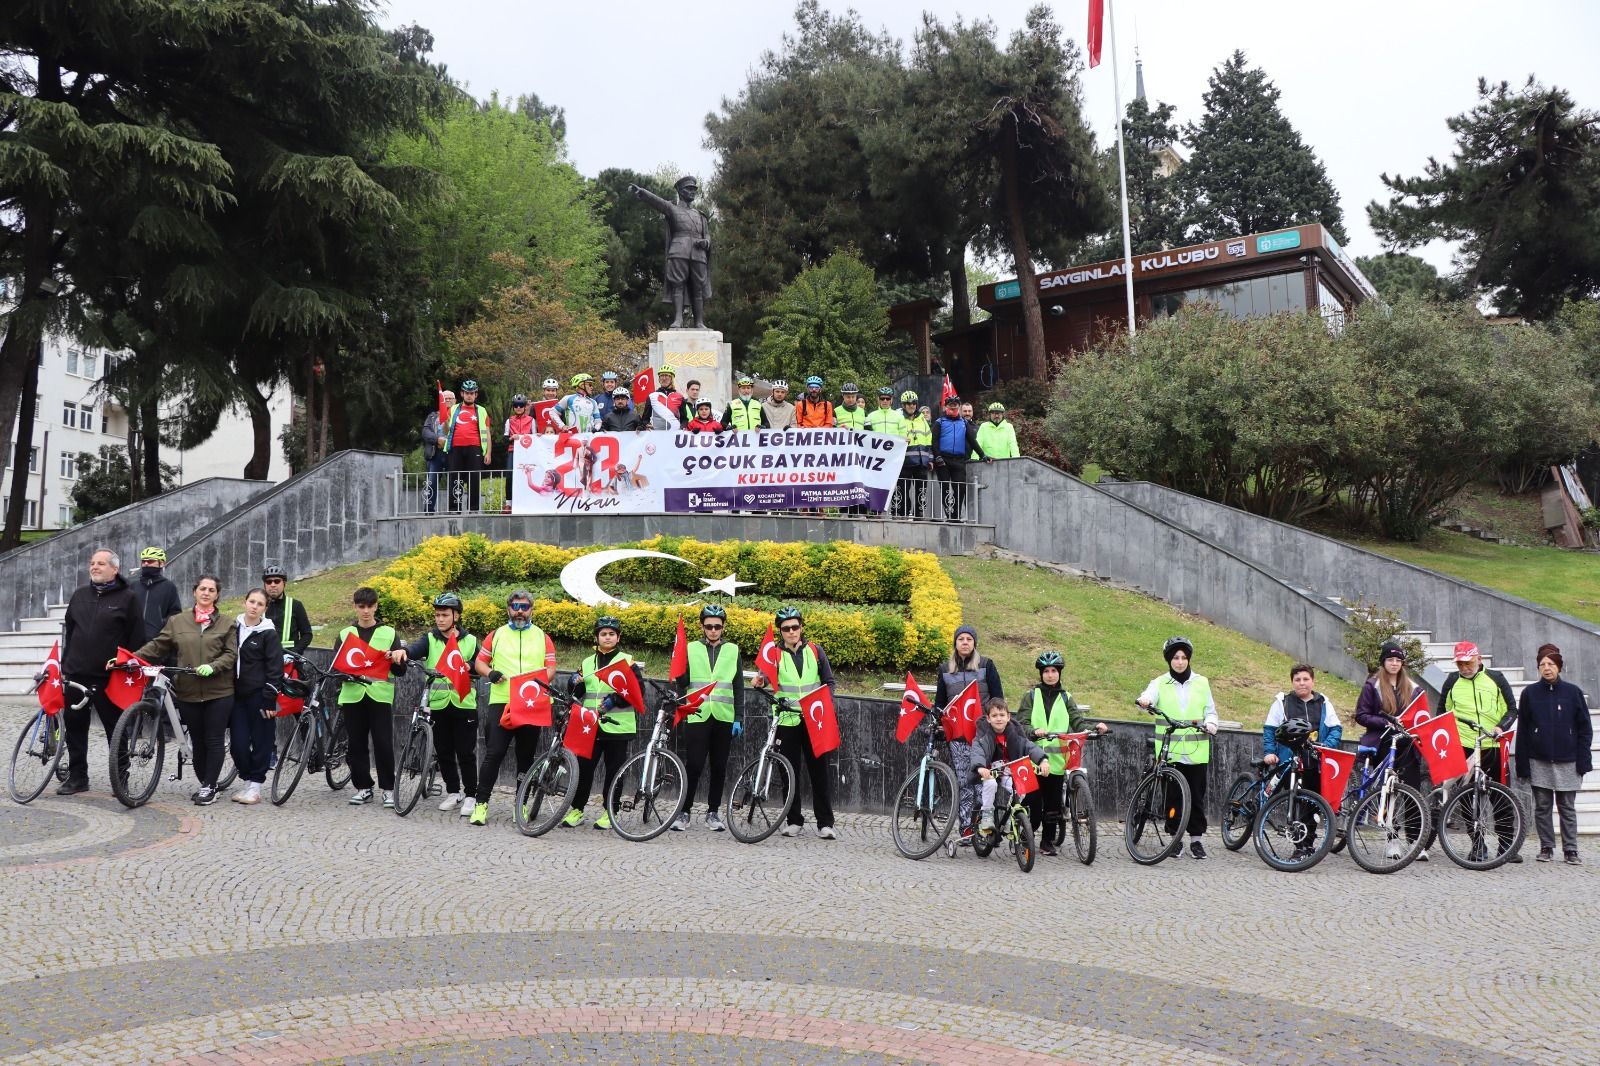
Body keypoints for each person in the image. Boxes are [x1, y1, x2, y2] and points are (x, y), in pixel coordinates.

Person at [130, 575, 238, 805]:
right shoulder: (177, 622)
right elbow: (158, 645)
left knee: (214, 739)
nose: (206, 593)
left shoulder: (227, 623)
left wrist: (213, 666)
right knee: (197, 740)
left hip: (219, 691)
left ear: (217, 595)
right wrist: (133, 658)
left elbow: (231, 654)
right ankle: (206, 783)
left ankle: (209, 786)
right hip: (188, 690)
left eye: (211, 590)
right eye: (202, 589)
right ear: (194, 592)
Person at [467, 589, 558, 826]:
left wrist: (538, 682)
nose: (519, 611)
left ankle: (522, 804)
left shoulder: (542, 636)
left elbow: (550, 668)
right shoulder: (496, 635)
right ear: (508, 609)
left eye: (524, 607)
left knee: (525, 757)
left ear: (531, 610)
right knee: (494, 753)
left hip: (531, 703)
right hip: (502, 700)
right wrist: (490, 672)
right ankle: (481, 804)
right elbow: (479, 663)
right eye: (515, 606)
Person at [57, 548, 142, 795]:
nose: (94, 567)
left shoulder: (128, 597)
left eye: (101, 563)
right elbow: (70, 632)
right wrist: (66, 664)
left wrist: (125, 663)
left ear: (114, 569)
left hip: (108, 677)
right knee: (74, 727)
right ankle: (77, 777)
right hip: (76, 675)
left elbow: (136, 637)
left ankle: (120, 779)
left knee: (115, 729)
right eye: (92, 563)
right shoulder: (80, 595)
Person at [752, 607, 838, 839]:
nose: (792, 632)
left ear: (801, 627)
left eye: (795, 627)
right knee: (789, 773)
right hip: (786, 720)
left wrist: (825, 701)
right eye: (786, 628)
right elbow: (763, 677)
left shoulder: (815, 651)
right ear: (780, 631)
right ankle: (794, 820)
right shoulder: (775, 654)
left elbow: (829, 682)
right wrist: (759, 680)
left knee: (819, 772)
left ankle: (825, 823)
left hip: (813, 720)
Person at [1136, 636, 1220, 859]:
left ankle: (1196, 840)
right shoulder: (1160, 682)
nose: (1180, 662)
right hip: (1170, 752)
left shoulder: (1201, 682)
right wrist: (1145, 701)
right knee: (1173, 798)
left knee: (1196, 796)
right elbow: (1148, 697)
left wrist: (1211, 723)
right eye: (1175, 657)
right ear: (1169, 660)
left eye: (1183, 657)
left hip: (1196, 752)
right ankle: (1175, 838)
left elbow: (1210, 710)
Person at [398, 593, 480, 817]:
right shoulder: (430, 639)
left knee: (465, 752)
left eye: (444, 615)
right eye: (437, 615)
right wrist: (402, 652)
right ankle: (453, 792)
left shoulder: (470, 641)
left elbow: (482, 664)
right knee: (444, 751)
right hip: (438, 704)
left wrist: (468, 665)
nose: (440, 619)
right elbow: (414, 650)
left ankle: (471, 795)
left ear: (456, 616)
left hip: (463, 704)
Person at [1019, 651, 1107, 856]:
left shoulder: (1066, 697)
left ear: (1059, 673)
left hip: (1057, 763)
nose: (1050, 675)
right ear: (1041, 674)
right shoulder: (1031, 696)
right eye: (1046, 671)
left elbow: (1077, 721)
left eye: (1054, 671)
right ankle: (1024, 834)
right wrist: (1033, 731)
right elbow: (1021, 723)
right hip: (1034, 762)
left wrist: (1094, 728)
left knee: (1052, 808)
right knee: (1034, 806)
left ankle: (1046, 841)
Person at [563, 616, 646, 830]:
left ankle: (611, 812)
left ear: (618, 638)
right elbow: (577, 693)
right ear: (597, 637)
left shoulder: (627, 662)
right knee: (583, 769)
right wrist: (573, 682)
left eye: (611, 634)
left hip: (618, 726)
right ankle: (578, 809)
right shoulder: (587, 662)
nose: (607, 637)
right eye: (603, 634)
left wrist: (614, 700)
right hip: (590, 725)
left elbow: (638, 692)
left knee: (614, 771)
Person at [1515, 644, 1591, 864]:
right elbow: (1524, 730)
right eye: (1542, 665)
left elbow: (1585, 729)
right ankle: (1546, 847)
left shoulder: (1573, 692)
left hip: (1568, 759)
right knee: (1543, 806)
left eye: (1551, 664)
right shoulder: (1529, 693)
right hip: (1539, 758)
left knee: (1567, 806)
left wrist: (1584, 759)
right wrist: (1522, 764)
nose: (1546, 668)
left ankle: (1571, 849)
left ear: (1559, 667)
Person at [1353, 640, 1428, 860]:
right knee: (1389, 794)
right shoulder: (1373, 685)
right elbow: (1361, 714)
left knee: (1413, 794)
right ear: (1383, 662)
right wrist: (1384, 722)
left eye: (1398, 660)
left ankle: (1415, 842)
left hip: (1408, 745)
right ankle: (1392, 839)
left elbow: (1422, 715)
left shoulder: (1413, 688)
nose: (1394, 664)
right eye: (1390, 659)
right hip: (1384, 744)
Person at [671, 604, 743, 832]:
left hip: (723, 716)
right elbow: (683, 682)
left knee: (719, 766)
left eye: (717, 626)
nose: (713, 630)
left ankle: (713, 812)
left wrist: (739, 717)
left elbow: (738, 686)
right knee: (693, 765)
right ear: (702, 626)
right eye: (709, 626)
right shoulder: (691, 648)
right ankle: (684, 811)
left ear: (723, 627)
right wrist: (679, 674)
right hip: (697, 713)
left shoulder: (733, 650)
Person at [337, 587, 406, 808]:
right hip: (352, 695)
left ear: (376, 606)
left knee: (383, 743)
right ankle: (363, 787)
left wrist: (395, 660)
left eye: (370, 606)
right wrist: (347, 673)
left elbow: (400, 671)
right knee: (356, 744)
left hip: (379, 695)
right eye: (361, 606)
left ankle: (387, 789)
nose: (366, 611)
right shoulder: (345, 634)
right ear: (355, 607)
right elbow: (337, 668)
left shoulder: (388, 633)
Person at [936, 624, 1004, 840]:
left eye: (969, 639)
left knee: (984, 781)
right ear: (955, 643)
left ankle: (983, 826)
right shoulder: (944, 669)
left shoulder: (986, 665)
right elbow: (940, 704)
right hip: (958, 736)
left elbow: (998, 699)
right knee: (964, 781)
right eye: (960, 639)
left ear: (975, 643)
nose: (965, 642)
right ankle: (965, 827)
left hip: (984, 735)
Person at [628, 175, 713, 329]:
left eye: (694, 189)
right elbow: (657, 201)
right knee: (678, 285)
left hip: (698, 254)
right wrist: (642, 193)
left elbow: (706, 234)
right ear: (680, 191)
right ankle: (678, 319)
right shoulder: (672, 208)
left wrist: (706, 242)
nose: (692, 192)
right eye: (689, 189)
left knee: (698, 288)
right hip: (678, 250)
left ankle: (699, 322)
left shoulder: (700, 215)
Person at [229, 587, 284, 805]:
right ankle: (247, 779)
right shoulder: (233, 628)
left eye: (260, 604)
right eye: (252, 602)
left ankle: (255, 786)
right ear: (245, 602)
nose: (254, 607)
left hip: (261, 696)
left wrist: (270, 697)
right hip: (237, 695)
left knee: (262, 741)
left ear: (265, 609)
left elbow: (275, 667)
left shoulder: (268, 633)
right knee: (238, 744)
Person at [968, 698, 1049, 837]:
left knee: (1021, 787)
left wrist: (1043, 760)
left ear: (1008, 717)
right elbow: (977, 752)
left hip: (1007, 771)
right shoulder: (983, 736)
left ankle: (1010, 819)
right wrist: (980, 767)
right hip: (989, 772)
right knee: (991, 784)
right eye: (994, 716)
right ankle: (987, 815)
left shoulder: (1015, 734)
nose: (998, 719)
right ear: (988, 719)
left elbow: (1029, 747)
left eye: (1002, 715)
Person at [933, 396, 989, 521]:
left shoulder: (963, 422)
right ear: (945, 407)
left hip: (958, 460)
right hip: (943, 460)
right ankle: (949, 515)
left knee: (961, 488)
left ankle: (956, 515)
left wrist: (983, 455)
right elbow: (934, 442)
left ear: (958, 407)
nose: (953, 407)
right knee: (945, 488)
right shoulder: (939, 422)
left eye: (955, 406)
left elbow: (972, 441)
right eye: (950, 405)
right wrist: (937, 457)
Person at [441, 380, 492, 512]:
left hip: (475, 447)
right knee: (455, 478)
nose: (469, 395)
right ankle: (454, 509)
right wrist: (445, 422)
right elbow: (446, 432)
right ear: (462, 394)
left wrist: (488, 453)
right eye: (467, 393)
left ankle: (473, 509)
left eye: (472, 393)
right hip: (455, 447)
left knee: (474, 479)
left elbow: (487, 432)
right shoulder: (453, 409)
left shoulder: (482, 410)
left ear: (476, 395)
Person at [894, 391, 933, 519]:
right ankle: (903, 513)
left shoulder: (922, 419)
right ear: (903, 405)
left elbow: (929, 439)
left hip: (922, 460)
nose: (911, 406)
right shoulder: (898, 418)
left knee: (921, 489)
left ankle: (919, 514)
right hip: (905, 460)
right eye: (908, 404)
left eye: (914, 403)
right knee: (903, 489)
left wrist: (930, 458)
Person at [133, 546, 182, 643]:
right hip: (133, 642)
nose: (146, 564)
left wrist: (162, 631)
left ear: (162, 563)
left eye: (150, 561)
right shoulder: (133, 585)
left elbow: (175, 614)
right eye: (143, 561)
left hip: (157, 643)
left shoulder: (169, 587)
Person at [261, 564, 312, 655]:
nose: (273, 585)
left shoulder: (296, 605)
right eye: (269, 582)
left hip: (290, 662)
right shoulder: (259, 606)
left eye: (277, 581)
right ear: (264, 585)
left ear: (284, 583)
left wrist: (294, 653)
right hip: (265, 661)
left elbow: (307, 634)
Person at [422, 389, 453, 513]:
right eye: (445, 398)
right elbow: (425, 432)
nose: (448, 400)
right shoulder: (432, 416)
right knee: (431, 482)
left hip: (452, 454)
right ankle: (429, 510)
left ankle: (454, 509)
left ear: (455, 400)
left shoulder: (459, 415)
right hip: (436, 454)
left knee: (454, 482)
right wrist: (437, 439)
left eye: (450, 398)